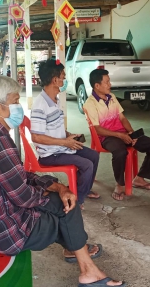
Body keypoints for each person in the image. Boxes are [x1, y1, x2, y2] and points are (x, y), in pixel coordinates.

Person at [0, 75, 125, 287]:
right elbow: (24, 197)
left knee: (61, 199)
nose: (19, 107)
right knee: (68, 205)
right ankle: (87, 271)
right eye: (15, 101)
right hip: (3, 235)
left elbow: (20, 174)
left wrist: (56, 185)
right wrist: (58, 193)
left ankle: (74, 246)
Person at [30, 60, 100, 209]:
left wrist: (69, 135)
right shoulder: (40, 105)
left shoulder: (54, 100)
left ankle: (83, 189)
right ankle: (77, 200)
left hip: (61, 148)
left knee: (94, 155)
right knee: (86, 164)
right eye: (63, 76)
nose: (65, 79)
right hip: (50, 155)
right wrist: (64, 142)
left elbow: (54, 127)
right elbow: (36, 137)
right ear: (55, 80)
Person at [83, 69, 150, 201]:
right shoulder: (89, 104)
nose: (110, 84)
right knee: (120, 152)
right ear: (97, 86)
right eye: (107, 82)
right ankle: (119, 184)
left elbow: (122, 118)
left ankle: (140, 178)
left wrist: (131, 133)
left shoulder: (112, 97)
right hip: (107, 137)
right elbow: (97, 129)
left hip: (123, 133)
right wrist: (120, 136)